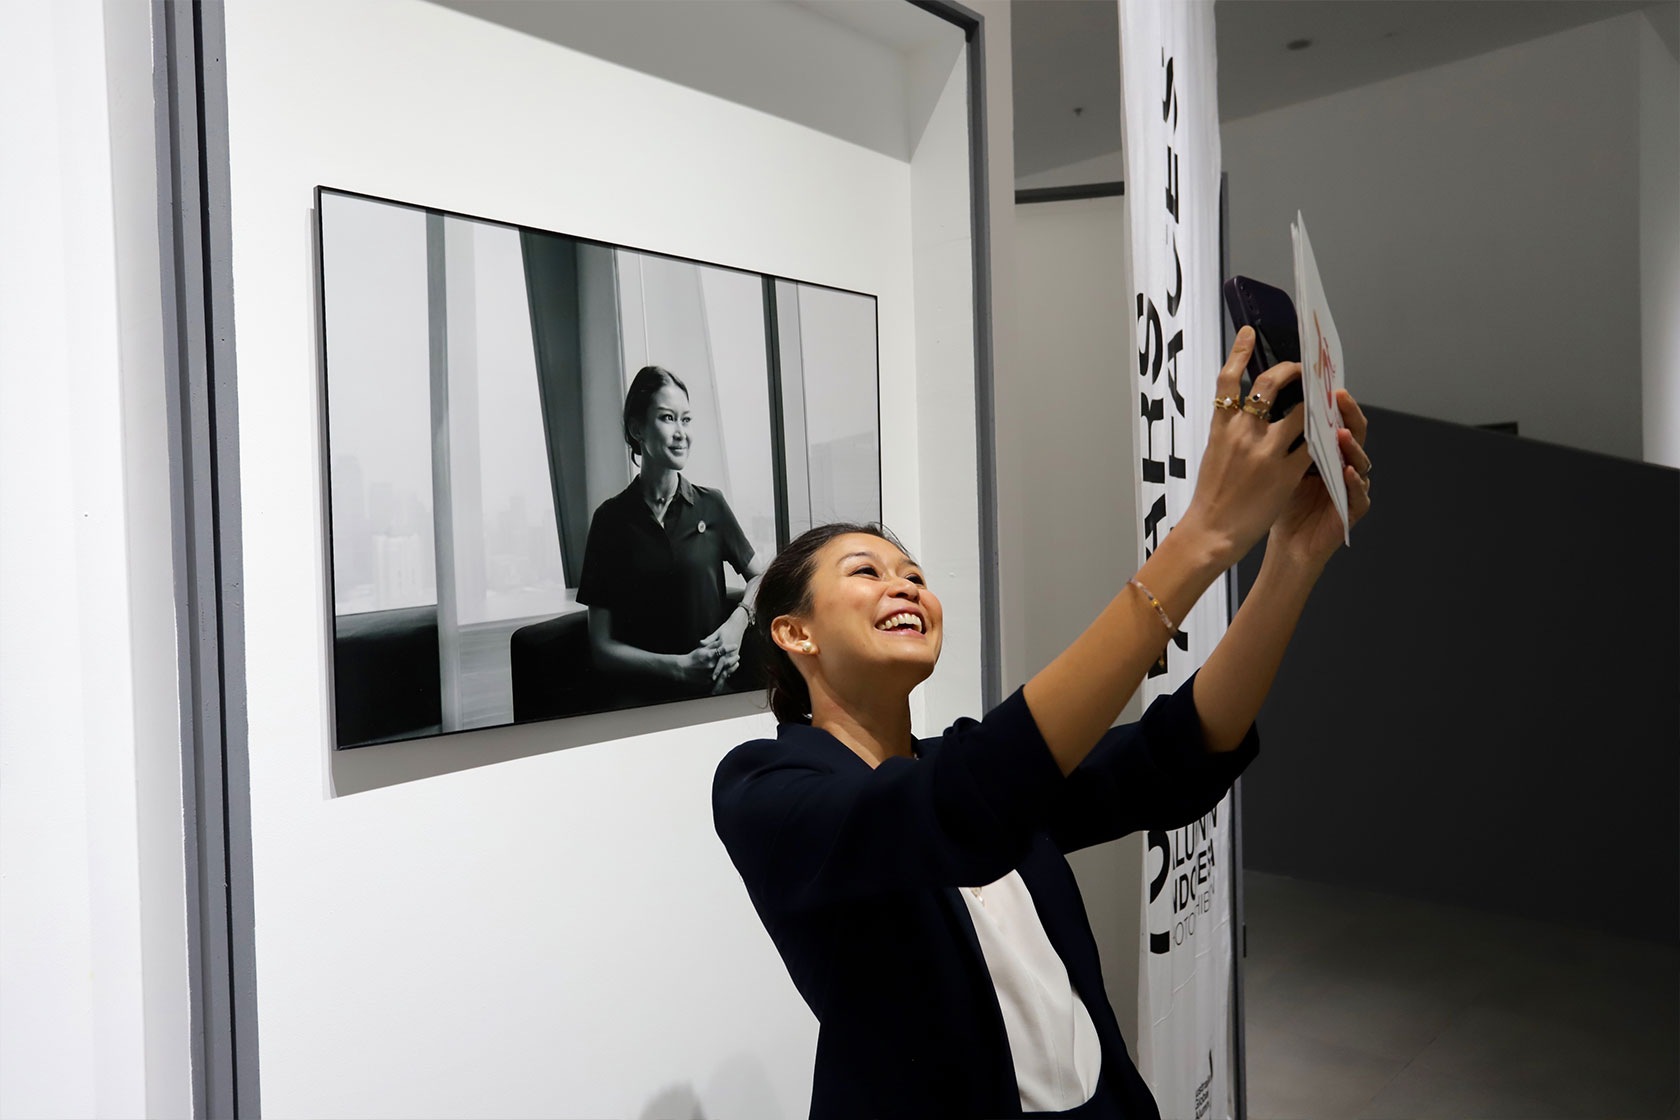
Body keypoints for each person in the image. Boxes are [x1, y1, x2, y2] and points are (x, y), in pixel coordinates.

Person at [711, 326, 1374, 1119]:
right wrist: (1201, 538)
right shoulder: (763, 788)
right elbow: (955, 807)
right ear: (795, 633)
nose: (906, 587)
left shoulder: (957, 765)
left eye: (914, 575)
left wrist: (1292, 560)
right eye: (867, 573)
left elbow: (1174, 756)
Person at [575, 365, 766, 706]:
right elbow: (601, 648)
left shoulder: (712, 506)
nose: (681, 432)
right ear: (637, 429)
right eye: (667, 418)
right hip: (640, 704)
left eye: (686, 420)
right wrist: (679, 668)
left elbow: (763, 576)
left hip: (714, 695)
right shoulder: (610, 520)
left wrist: (739, 621)